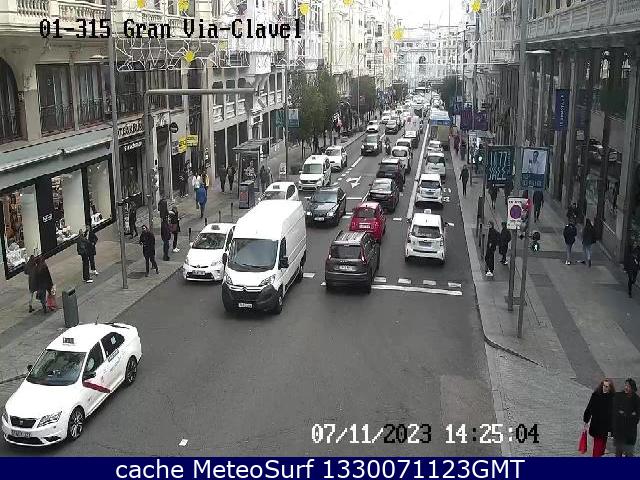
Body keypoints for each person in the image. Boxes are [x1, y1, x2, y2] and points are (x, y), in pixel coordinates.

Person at [583, 378, 615, 457]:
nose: (604, 387)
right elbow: (589, 408)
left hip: (606, 427)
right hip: (597, 426)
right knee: (597, 448)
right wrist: (586, 421)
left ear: (610, 388)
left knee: (602, 448)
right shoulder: (596, 395)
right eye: (603, 385)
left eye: (606, 386)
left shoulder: (613, 398)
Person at [611, 378, 640, 457]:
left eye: (628, 386)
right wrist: (629, 414)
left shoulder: (636, 399)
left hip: (630, 433)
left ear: (633, 388)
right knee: (618, 454)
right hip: (620, 432)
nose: (626, 387)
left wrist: (624, 414)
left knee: (629, 455)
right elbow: (615, 411)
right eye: (625, 385)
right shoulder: (619, 396)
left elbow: (637, 417)